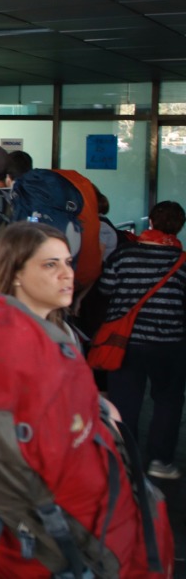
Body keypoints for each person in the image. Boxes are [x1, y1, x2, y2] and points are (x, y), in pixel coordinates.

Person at [98, 201, 186, 479]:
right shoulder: (182, 262)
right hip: (169, 342)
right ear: (180, 228)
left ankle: (125, 460)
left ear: (150, 223)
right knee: (168, 400)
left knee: (125, 400)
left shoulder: (124, 254)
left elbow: (105, 288)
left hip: (125, 341)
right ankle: (160, 461)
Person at [0, 221, 76, 334]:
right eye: (50, 265)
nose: (68, 274)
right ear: (15, 274)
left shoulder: (64, 332)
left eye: (68, 262)